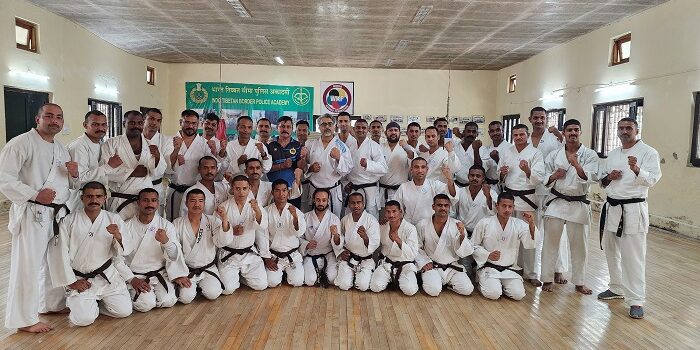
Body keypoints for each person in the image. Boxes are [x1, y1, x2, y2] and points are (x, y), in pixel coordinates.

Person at [0, 103, 77, 332]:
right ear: (38, 119)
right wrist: (35, 194)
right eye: (49, 116)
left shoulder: (61, 149)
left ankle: (51, 304)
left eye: (59, 117)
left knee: (53, 261)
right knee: (28, 265)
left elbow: (68, 184)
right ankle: (23, 319)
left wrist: (74, 175)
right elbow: (4, 179)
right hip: (33, 212)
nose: (54, 120)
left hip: (56, 213)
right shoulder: (21, 143)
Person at [597, 118, 661, 319]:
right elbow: (603, 181)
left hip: (633, 209)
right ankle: (616, 287)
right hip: (613, 207)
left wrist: (636, 169)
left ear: (636, 130)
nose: (624, 131)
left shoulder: (649, 152)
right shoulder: (614, 153)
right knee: (611, 250)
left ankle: (636, 300)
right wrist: (609, 177)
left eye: (629, 128)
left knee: (633, 256)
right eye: (621, 128)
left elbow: (652, 179)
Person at [48, 182, 132, 327]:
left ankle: (95, 304)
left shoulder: (114, 219)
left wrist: (118, 236)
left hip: (106, 276)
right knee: (83, 320)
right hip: (80, 278)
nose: (94, 200)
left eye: (98, 196)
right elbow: (59, 253)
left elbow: (125, 249)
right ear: (82, 198)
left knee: (124, 311)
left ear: (105, 198)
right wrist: (72, 282)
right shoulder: (69, 221)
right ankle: (83, 303)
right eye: (90, 196)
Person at [541, 119, 599, 294]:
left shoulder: (589, 155)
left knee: (579, 246)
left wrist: (576, 165)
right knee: (550, 243)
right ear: (564, 133)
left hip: (578, 203)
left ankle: (580, 282)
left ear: (580, 132)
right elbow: (545, 177)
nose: (573, 133)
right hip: (556, 202)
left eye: (576, 130)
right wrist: (554, 176)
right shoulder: (554, 155)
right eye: (569, 130)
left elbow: (593, 177)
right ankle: (547, 279)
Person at [117, 188, 188, 312]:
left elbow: (174, 255)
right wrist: (132, 279)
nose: (149, 204)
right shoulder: (126, 226)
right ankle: (132, 295)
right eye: (145, 200)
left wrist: (166, 242)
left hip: (158, 273)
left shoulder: (166, 226)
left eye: (153, 200)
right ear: (138, 203)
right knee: (146, 305)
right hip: (135, 275)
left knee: (168, 300)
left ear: (158, 203)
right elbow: (116, 258)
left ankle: (151, 296)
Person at [498, 124, 545, 286]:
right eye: (515, 135)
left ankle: (531, 273)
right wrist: (502, 174)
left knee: (530, 235)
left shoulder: (536, 153)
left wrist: (527, 170)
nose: (518, 137)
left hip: (527, 199)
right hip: (509, 200)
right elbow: (501, 176)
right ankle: (511, 267)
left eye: (521, 134)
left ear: (528, 135)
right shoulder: (507, 152)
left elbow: (539, 178)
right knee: (509, 236)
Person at [528, 106, 568, 285]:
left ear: (546, 119)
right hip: (532, 190)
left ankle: (558, 269)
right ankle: (532, 270)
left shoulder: (554, 138)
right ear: (530, 119)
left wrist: (560, 135)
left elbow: (568, 149)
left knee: (556, 231)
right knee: (533, 231)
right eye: (535, 118)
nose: (539, 121)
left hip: (552, 190)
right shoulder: (524, 139)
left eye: (542, 118)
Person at [471, 192, 538, 300]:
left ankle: (501, 286)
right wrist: (487, 255)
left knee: (518, 295)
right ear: (497, 206)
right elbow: (473, 246)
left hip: (509, 270)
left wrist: (531, 224)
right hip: (489, 268)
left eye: (510, 206)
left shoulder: (518, 224)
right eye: (504, 206)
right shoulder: (484, 223)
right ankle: (485, 283)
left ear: (513, 208)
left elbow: (530, 243)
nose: (507, 209)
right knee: (494, 294)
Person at [102, 110, 165, 219]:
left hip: (145, 202)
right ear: (123, 124)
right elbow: (104, 172)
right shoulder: (111, 144)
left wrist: (158, 157)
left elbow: (159, 172)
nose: (136, 126)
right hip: (121, 200)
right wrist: (133, 172)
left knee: (146, 233)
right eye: (132, 123)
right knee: (119, 233)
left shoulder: (150, 145)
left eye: (140, 123)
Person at [172, 189, 230, 303]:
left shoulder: (212, 220)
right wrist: (178, 274)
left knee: (213, 293)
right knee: (185, 298)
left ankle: (200, 287)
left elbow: (222, 242)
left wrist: (224, 219)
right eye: (193, 201)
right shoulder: (177, 223)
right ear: (186, 203)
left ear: (204, 203)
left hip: (208, 268)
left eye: (200, 201)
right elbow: (173, 251)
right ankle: (193, 288)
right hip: (186, 270)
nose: (197, 204)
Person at [218, 175, 269, 293]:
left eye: (244, 188)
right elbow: (217, 234)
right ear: (232, 188)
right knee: (228, 289)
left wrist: (256, 210)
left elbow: (262, 226)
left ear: (249, 188)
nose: (241, 192)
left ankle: (241, 277)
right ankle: (236, 277)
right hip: (229, 254)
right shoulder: (223, 207)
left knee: (261, 285)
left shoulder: (255, 205)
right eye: (237, 189)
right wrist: (231, 231)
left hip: (249, 254)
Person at [415, 194, 474, 297]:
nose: (443, 208)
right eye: (439, 205)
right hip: (432, 266)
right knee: (434, 291)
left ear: (449, 207)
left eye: (446, 205)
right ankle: (437, 282)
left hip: (452, 268)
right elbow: (416, 247)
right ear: (433, 207)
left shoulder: (457, 225)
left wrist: (462, 235)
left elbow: (465, 252)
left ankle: (448, 284)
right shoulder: (422, 224)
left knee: (467, 290)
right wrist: (424, 262)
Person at [167, 110, 217, 220]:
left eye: (194, 123)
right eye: (187, 122)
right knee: (174, 223)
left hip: (196, 192)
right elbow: (165, 169)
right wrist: (175, 152)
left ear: (198, 124)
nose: (190, 126)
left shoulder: (203, 143)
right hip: (176, 190)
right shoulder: (170, 141)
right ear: (181, 122)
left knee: (196, 223)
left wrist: (215, 152)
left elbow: (212, 167)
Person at [66, 110, 121, 209]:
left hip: (98, 196)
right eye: (95, 124)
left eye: (104, 125)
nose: (101, 128)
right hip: (81, 198)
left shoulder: (101, 144)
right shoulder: (79, 146)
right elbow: (80, 178)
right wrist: (109, 167)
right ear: (85, 125)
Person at [260, 180, 306, 287]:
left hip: (292, 255)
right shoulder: (266, 211)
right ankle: (281, 275)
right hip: (274, 256)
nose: (281, 194)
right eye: (277, 191)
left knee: (297, 282)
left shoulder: (295, 211)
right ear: (272, 193)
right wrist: (267, 258)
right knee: (272, 282)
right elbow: (262, 236)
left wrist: (294, 217)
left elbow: (299, 232)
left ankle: (286, 274)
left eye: (284, 190)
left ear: (288, 192)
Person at [305, 114, 353, 217]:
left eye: (330, 124)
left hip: (332, 190)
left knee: (333, 221)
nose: (327, 127)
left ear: (334, 126)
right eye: (324, 124)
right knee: (314, 221)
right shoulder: (311, 144)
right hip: (315, 189)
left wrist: (339, 158)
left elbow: (348, 169)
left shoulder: (342, 146)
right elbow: (304, 166)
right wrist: (310, 168)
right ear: (319, 127)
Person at [369, 200, 419, 296]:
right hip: (386, 264)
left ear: (400, 212)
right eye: (388, 212)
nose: (391, 215)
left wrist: (398, 240)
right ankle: (391, 278)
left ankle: (400, 279)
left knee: (410, 290)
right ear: (385, 213)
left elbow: (412, 254)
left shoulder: (410, 228)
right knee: (375, 287)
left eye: (394, 211)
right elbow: (374, 243)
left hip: (405, 265)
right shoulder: (382, 226)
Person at [335, 192, 380, 291]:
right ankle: (352, 276)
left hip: (366, 260)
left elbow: (375, 243)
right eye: (353, 203)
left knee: (363, 286)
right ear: (349, 205)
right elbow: (340, 240)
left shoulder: (371, 220)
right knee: (343, 285)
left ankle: (359, 276)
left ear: (363, 204)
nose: (356, 206)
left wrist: (365, 237)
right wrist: (341, 252)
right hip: (349, 259)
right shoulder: (345, 220)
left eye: (359, 202)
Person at [393, 158, 457, 225]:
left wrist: (450, 179)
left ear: (427, 169)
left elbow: (452, 195)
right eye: (416, 167)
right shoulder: (403, 187)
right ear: (411, 169)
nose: (420, 170)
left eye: (423, 167)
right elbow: (396, 208)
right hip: (409, 226)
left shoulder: (435, 185)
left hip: (429, 226)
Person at [344, 118, 388, 218]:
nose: (360, 130)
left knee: (370, 219)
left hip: (369, 190)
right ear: (354, 129)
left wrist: (368, 164)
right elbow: (346, 168)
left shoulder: (374, 146)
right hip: (353, 189)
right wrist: (346, 184)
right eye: (358, 127)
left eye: (363, 128)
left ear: (368, 130)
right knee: (351, 219)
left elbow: (384, 168)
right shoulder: (350, 146)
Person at [301, 189, 343, 287]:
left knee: (332, 279)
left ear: (328, 201)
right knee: (309, 281)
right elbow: (298, 238)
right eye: (318, 200)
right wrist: (306, 244)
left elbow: (337, 244)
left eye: (324, 200)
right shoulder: (305, 217)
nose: (321, 203)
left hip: (328, 255)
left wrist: (336, 235)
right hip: (311, 255)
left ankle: (322, 273)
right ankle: (317, 274)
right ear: (313, 200)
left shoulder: (334, 218)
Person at [266, 116, 307, 208]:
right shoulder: (270, 144)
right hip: (273, 190)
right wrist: (282, 166)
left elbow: (300, 167)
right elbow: (265, 168)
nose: (285, 129)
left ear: (292, 129)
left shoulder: (297, 145)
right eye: (282, 126)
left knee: (293, 217)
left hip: (292, 190)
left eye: (288, 127)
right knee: (273, 218)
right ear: (277, 128)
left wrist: (303, 157)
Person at [143, 108, 173, 215]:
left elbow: (165, 168)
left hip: (156, 186)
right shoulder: (135, 139)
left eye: (158, 120)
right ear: (144, 119)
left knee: (155, 221)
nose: (154, 122)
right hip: (136, 186)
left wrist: (157, 155)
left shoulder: (166, 140)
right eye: (151, 119)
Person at [378, 122, 413, 209]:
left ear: (400, 133)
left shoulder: (407, 148)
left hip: (400, 190)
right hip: (383, 191)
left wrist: (407, 148)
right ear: (386, 133)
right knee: (383, 219)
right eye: (390, 130)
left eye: (396, 130)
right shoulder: (379, 148)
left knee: (399, 217)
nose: (393, 132)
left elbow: (413, 164)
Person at [481, 121, 513, 187]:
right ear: (489, 133)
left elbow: (510, 170)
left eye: (498, 130)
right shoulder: (487, 148)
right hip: (488, 183)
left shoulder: (511, 148)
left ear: (503, 131)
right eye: (492, 131)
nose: (495, 133)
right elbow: (483, 168)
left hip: (504, 185)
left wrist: (497, 159)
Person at [453, 122, 483, 188]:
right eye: (468, 131)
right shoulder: (456, 145)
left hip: (473, 186)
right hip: (456, 184)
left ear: (477, 134)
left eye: (474, 132)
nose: (471, 134)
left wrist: (476, 150)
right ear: (464, 132)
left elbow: (480, 168)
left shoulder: (482, 149)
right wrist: (458, 134)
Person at [201, 112, 229, 181]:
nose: (210, 126)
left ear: (217, 128)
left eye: (213, 125)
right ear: (202, 124)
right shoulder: (195, 142)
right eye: (207, 123)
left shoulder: (221, 145)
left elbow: (223, 170)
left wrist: (217, 154)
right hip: (195, 183)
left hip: (214, 183)